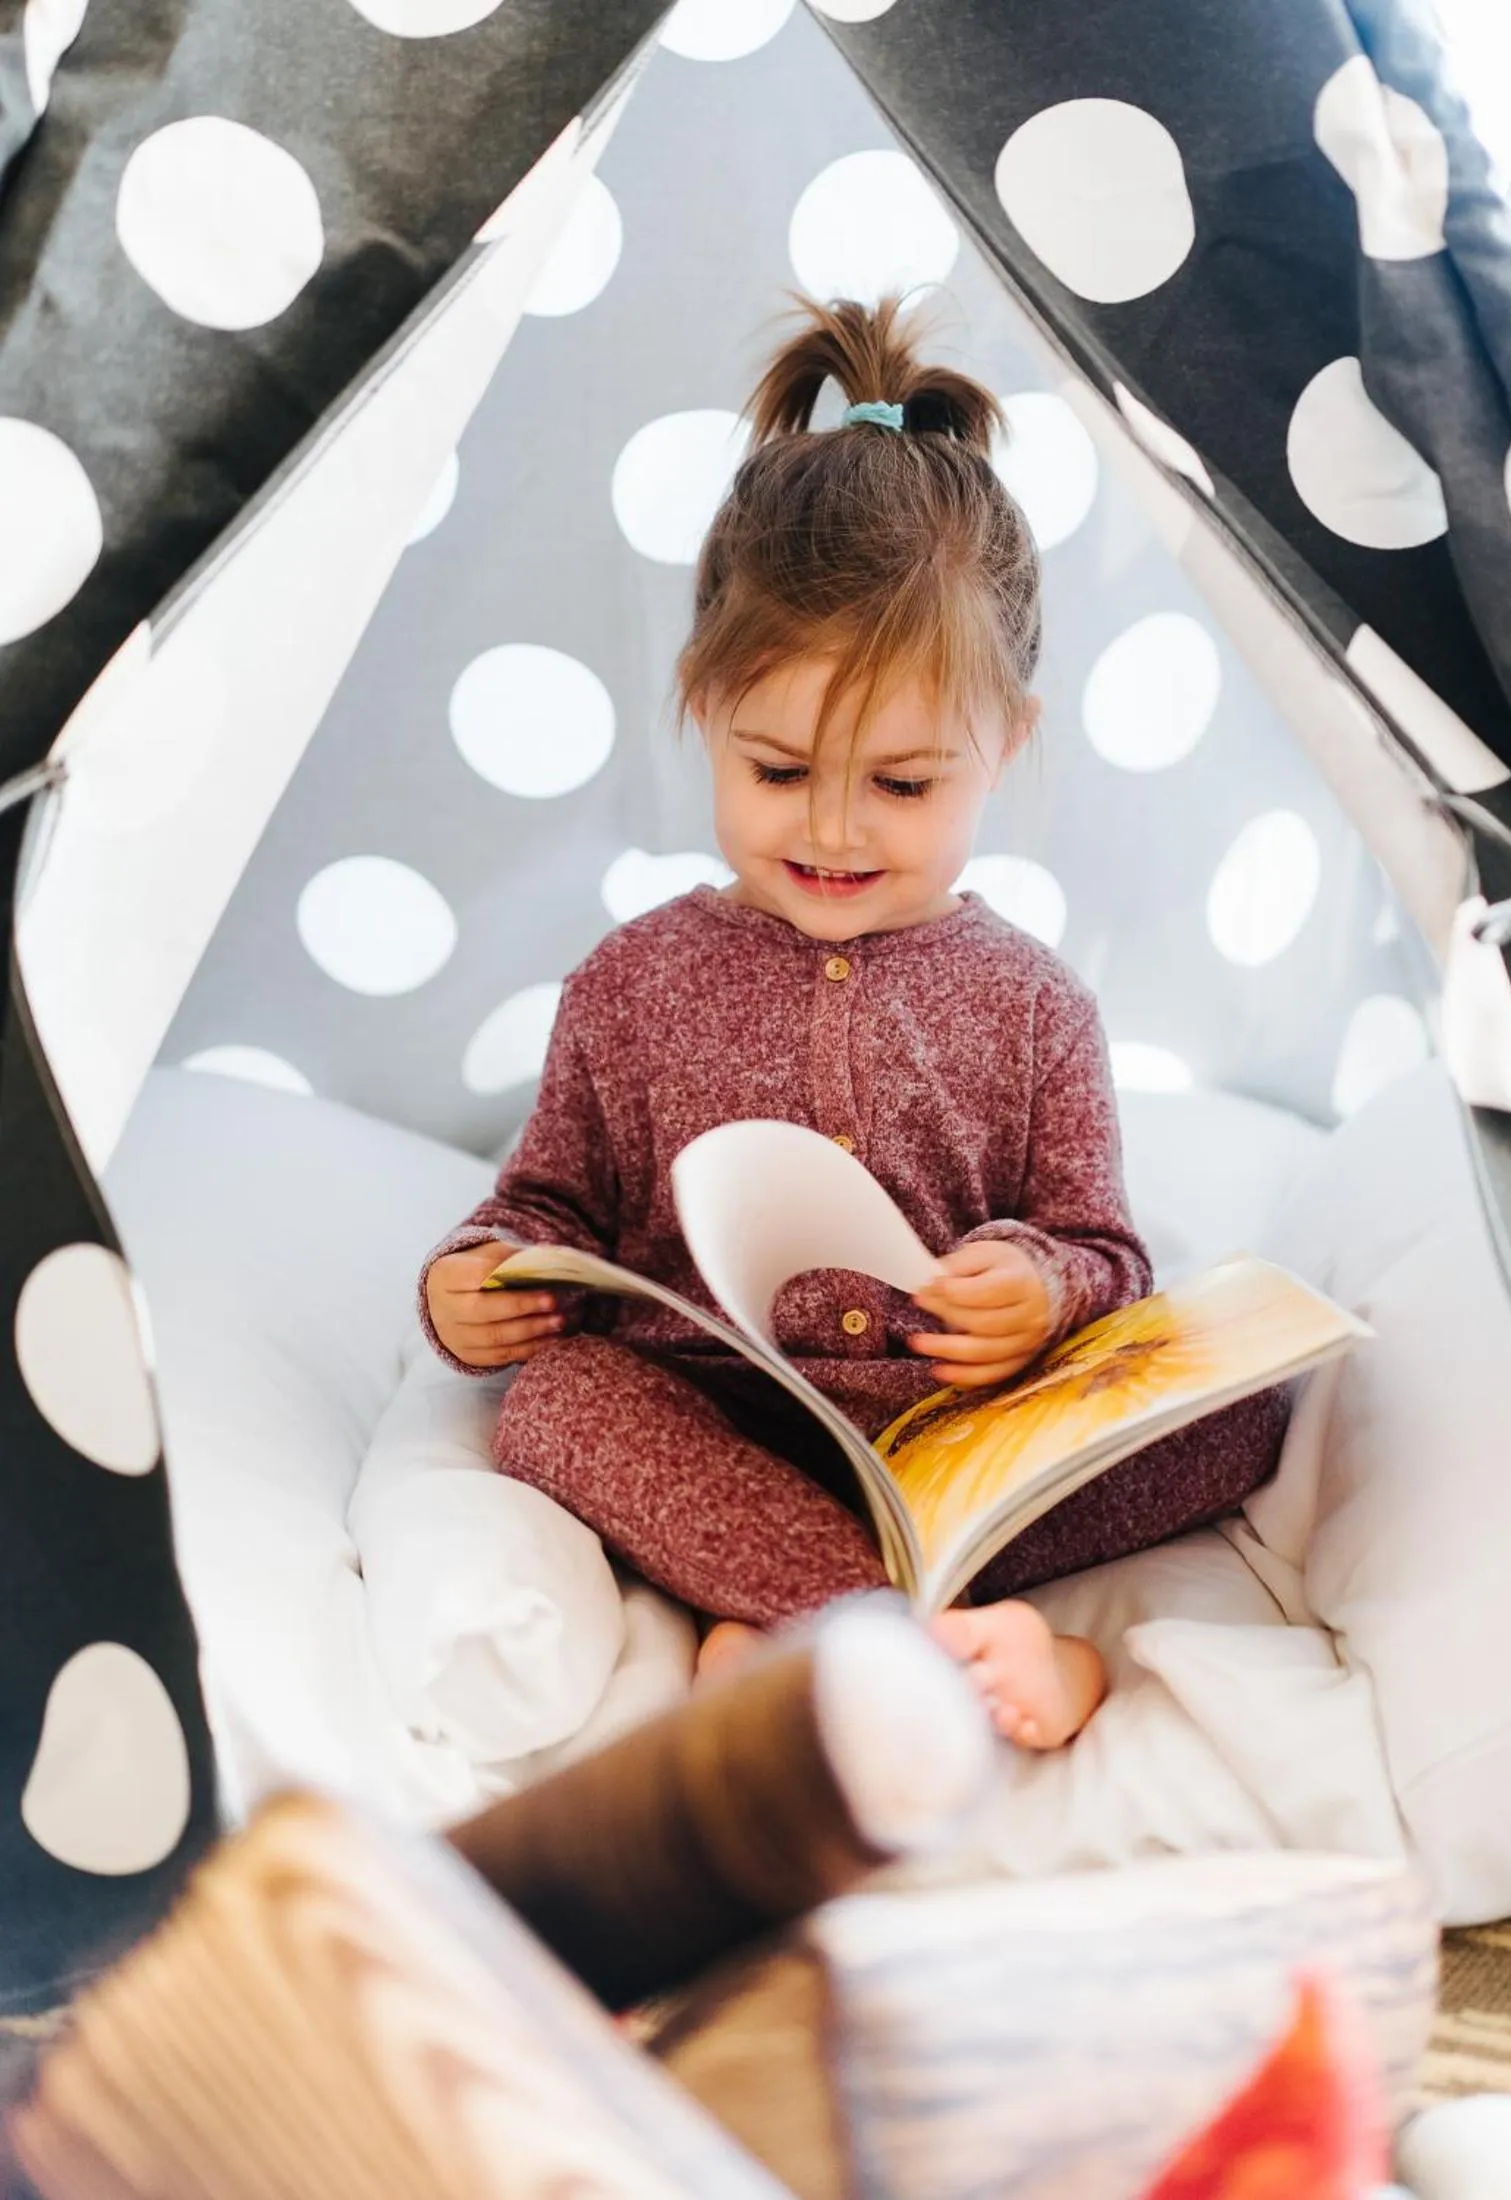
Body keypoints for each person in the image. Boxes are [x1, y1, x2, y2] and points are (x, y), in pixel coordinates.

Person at [419, 292, 1289, 1751]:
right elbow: (541, 1202)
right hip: (717, 1425)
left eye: (901, 786)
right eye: (776, 771)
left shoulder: (1034, 1006)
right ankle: (926, 1647)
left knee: (1239, 1414)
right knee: (553, 1409)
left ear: (1003, 745)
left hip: (958, 1441)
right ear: (701, 708)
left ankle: (810, 1624)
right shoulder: (631, 985)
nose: (832, 828)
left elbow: (1104, 1250)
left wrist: (1033, 1286)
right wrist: (473, 1284)